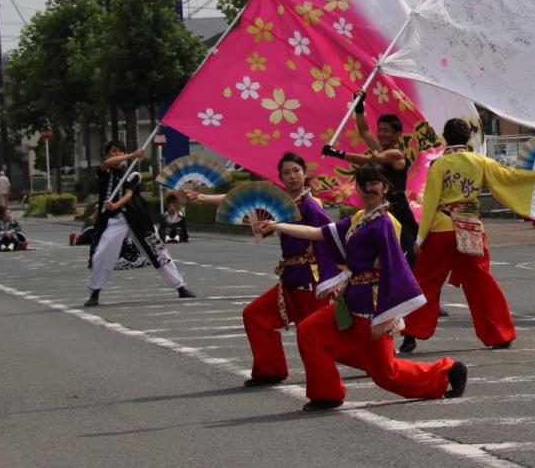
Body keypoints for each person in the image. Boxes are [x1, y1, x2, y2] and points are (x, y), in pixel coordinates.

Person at [257, 162, 467, 411]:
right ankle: (326, 394)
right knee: (309, 331)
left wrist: (388, 317)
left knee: (384, 374)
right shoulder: (360, 218)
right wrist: (276, 226)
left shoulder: (386, 224)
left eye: (374, 184)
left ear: (385, 187)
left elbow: (395, 270)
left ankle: (446, 373)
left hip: (374, 305)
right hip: (351, 298)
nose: (368, 190)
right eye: (363, 185)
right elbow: (318, 233)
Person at [400, 118, 535, 355]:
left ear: (445, 137)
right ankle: (499, 334)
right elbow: (509, 176)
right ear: (467, 139)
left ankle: (411, 333)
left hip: (442, 228)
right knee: (481, 282)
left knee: (425, 281)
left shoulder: (439, 165)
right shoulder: (480, 161)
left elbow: (431, 201)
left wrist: (420, 239)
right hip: (470, 227)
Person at [187, 151, 338, 387]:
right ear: (280, 177)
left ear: (305, 174)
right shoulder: (281, 202)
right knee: (255, 315)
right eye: (286, 172)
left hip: (310, 279)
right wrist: (203, 199)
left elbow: (332, 239)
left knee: (312, 335)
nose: (292, 176)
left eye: (296, 171)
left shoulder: (311, 206)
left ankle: (363, 365)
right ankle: (270, 370)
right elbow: (242, 199)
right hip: (289, 279)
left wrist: (336, 277)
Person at [85, 140, 195, 307]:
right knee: (102, 253)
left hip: (137, 217)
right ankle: (95, 292)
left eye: (118, 151)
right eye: (112, 152)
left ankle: (180, 287)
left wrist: (116, 204)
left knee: (157, 250)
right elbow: (107, 164)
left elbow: (129, 194)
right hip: (115, 220)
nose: (115, 155)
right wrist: (132, 155)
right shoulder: (104, 171)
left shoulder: (132, 174)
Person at [322, 93, 418, 265]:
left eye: (385, 131)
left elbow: (372, 160)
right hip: (380, 203)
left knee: (404, 244)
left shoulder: (396, 154)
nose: (380, 134)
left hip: (397, 206)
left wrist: (337, 153)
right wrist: (359, 106)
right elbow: (364, 131)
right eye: (379, 130)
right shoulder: (381, 149)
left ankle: (408, 275)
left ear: (397, 134)